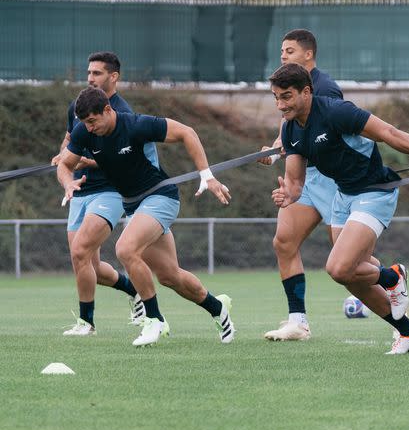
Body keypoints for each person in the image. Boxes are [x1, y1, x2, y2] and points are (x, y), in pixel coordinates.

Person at [269, 63, 409, 354]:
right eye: (276, 98)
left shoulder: (336, 111)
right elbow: (294, 182)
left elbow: (389, 132)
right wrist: (287, 195)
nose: (281, 105)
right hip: (343, 197)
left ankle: (392, 277)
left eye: (287, 97)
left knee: (338, 268)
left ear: (306, 92)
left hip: (375, 191)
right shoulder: (291, 128)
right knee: (351, 276)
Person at [56, 86, 235, 347]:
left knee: (125, 249)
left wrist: (206, 175)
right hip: (134, 206)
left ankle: (154, 320)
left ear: (108, 110)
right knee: (170, 276)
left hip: (160, 197)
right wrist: (67, 183)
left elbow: (187, 132)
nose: (89, 128)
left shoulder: (136, 124)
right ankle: (218, 308)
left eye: (93, 121)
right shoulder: (85, 130)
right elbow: (64, 163)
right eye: (84, 123)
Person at [260, 29, 357, 342]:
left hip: (329, 176)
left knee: (346, 255)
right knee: (284, 242)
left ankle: (393, 280)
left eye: (289, 51)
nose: (283, 56)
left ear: (308, 54)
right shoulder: (288, 89)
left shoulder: (326, 88)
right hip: (302, 176)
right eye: (282, 51)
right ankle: (297, 322)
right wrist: (276, 152)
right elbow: (291, 128)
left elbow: (329, 132)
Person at [50, 52, 144, 335]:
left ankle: (86, 323)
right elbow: (70, 140)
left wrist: (88, 160)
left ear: (113, 77)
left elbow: (125, 159)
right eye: (89, 73)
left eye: (97, 73)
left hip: (110, 190)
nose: (90, 78)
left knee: (80, 251)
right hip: (80, 190)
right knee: (87, 263)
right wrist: (63, 158)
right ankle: (135, 291)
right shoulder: (78, 105)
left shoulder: (122, 113)